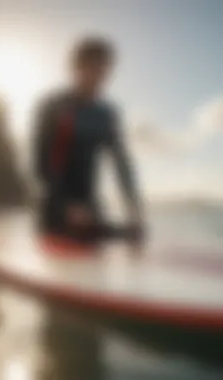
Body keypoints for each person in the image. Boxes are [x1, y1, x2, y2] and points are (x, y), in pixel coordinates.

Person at [33, 36, 144, 247]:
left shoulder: (106, 115)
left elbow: (122, 165)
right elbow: (40, 165)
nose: (98, 76)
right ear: (75, 68)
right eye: (92, 68)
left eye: (103, 69)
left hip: (91, 208)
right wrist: (66, 207)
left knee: (133, 234)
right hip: (55, 209)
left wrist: (134, 210)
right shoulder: (53, 107)